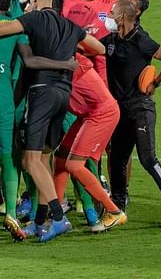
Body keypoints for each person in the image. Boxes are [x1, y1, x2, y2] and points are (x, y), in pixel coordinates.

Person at [0, 0, 105, 242]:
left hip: (41, 92)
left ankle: (58, 217)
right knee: (43, 160)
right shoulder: (70, 26)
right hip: (63, 94)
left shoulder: (34, 19)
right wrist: (72, 50)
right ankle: (39, 222)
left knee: (30, 160)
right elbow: (100, 48)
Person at [0, 0, 77, 241]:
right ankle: (13, 214)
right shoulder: (17, 28)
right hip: (3, 98)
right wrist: (64, 64)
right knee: (9, 159)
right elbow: (29, 60)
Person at [101, 0, 161, 228]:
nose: (108, 16)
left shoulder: (141, 40)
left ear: (122, 18)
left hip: (141, 108)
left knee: (148, 159)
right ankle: (117, 208)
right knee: (117, 158)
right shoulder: (111, 40)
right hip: (121, 109)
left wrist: (156, 82)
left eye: (112, 13)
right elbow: (89, 47)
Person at [52, 53, 127, 233]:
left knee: (74, 165)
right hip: (87, 114)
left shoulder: (71, 63)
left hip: (102, 115)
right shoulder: (61, 60)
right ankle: (56, 216)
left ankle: (114, 211)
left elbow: (97, 49)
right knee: (61, 158)